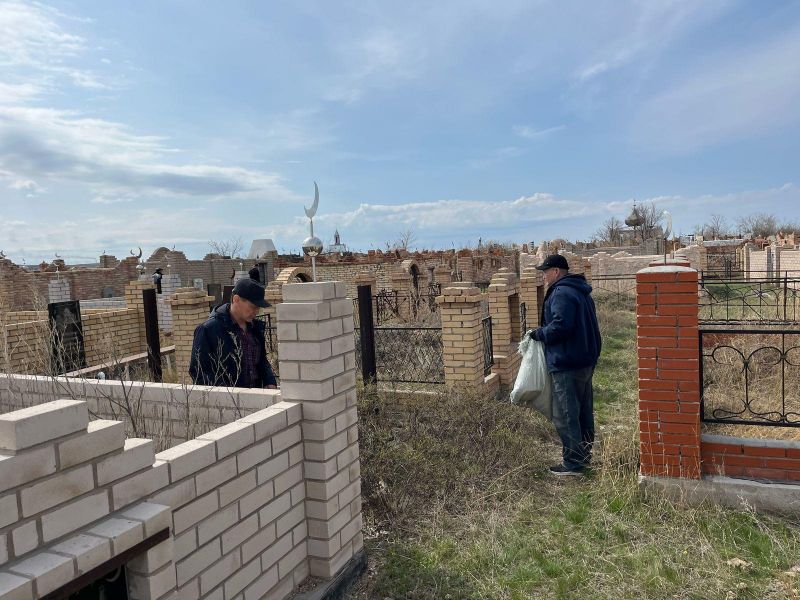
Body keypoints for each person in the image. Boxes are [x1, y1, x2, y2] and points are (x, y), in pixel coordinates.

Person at [529, 254, 601, 476]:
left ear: (557, 271)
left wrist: (537, 334)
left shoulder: (561, 293)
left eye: (546, 271)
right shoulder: (579, 290)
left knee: (566, 414)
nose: (544, 276)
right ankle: (583, 455)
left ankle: (573, 463)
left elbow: (561, 326)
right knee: (583, 411)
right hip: (585, 359)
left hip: (567, 361)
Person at [189, 278, 277, 389]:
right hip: (227, 401)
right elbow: (199, 372)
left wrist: (270, 381)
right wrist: (229, 395)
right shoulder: (209, 330)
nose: (256, 312)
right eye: (253, 307)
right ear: (236, 299)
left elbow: (261, 360)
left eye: (258, 308)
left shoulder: (255, 328)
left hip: (257, 397)